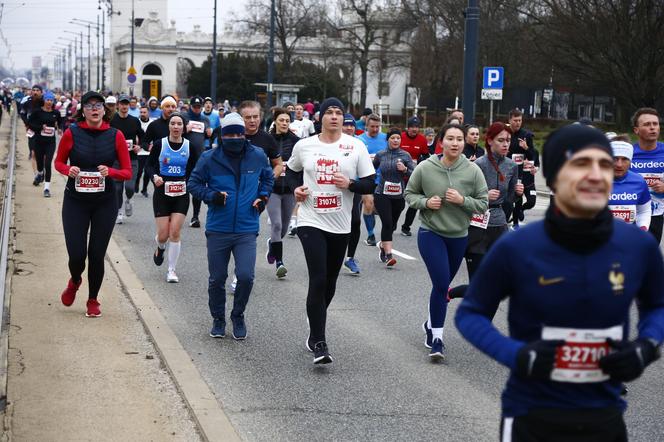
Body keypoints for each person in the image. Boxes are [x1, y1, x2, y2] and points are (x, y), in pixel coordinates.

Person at [455, 124, 664, 442]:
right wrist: (518, 355)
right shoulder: (518, 246)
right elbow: (470, 313)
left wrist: (646, 346)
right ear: (553, 178)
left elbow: (657, 306)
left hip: (604, 415)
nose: (596, 175)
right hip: (532, 414)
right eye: (581, 164)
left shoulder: (638, 245)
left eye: (604, 165)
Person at [286, 97, 376, 364]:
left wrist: (350, 184)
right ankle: (320, 342)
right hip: (311, 220)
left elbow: (370, 183)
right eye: (329, 113)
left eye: (339, 113)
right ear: (321, 118)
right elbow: (291, 172)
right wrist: (296, 188)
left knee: (330, 282)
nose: (334, 117)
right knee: (318, 277)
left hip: (340, 223)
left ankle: (315, 319)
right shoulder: (305, 146)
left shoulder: (355, 146)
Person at [404, 123, 488, 360]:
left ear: (464, 142)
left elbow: (483, 203)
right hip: (431, 233)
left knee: (441, 288)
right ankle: (438, 340)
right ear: (441, 141)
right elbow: (409, 194)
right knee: (442, 285)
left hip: (459, 236)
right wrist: (426, 203)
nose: (455, 143)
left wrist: (463, 200)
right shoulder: (425, 167)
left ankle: (430, 324)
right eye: (450, 138)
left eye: (459, 139)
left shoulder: (472, 171)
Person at [188, 112, 274, 340]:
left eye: (239, 133)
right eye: (230, 134)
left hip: (247, 226)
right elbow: (193, 184)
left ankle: (238, 315)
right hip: (218, 227)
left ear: (244, 133)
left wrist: (263, 197)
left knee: (246, 276)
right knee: (217, 278)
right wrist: (212, 195)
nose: (235, 138)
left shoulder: (257, 155)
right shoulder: (209, 157)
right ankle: (218, 318)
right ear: (222, 136)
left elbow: (267, 178)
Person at [54, 91, 133, 317]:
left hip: (104, 202)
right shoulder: (72, 132)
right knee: (77, 255)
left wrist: (112, 171)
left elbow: (127, 172)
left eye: (98, 105)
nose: (94, 109)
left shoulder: (115, 135)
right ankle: (75, 280)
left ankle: (92, 299)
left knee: (97, 254)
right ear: (83, 111)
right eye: (89, 106)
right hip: (75, 202)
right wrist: (68, 170)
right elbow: (58, 162)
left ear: (104, 110)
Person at [145, 112, 199, 283]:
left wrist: (191, 182)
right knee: (163, 235)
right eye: (173, 123)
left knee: (174, 232)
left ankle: (171, 270)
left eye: (179, 124)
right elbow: (149, 165)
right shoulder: (160, 144)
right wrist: (154, 177)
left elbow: (195, 168)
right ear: (168, 126)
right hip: (162, 192)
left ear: (184, 128)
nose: (176, 127)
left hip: (181, 193)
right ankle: (160, 247)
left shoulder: (190, 146)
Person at [464, 122, 522, 279]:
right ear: (490, 141)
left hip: (499, 224)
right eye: (501, 140)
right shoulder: (477, 165)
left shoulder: (512, 166)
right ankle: (450, 293)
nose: (505, 144)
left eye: (508, 140)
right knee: (476, 280)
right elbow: (464, 196)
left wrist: (517, 193)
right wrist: (484, 196)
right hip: (477, 226)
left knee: (497, 280)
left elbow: (509, 199)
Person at [266, 108, 300, 278]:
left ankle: (272, 244)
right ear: (275, 121)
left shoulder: (296, 141)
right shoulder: (267, 139)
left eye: (287, 120)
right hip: (271, 189)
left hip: (289, 189)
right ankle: (279, 262)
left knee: (284, 228)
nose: (285, 123)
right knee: (277, 224)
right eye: (281, 120)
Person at [373, 128, 415, 267]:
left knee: (393, 225)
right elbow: (370, 169)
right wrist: (370, 184)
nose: (396, 140)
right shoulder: (381, 155)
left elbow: (414, 173)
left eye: (398, 138)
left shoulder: (405, 155)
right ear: (388, 140)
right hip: (382, 194)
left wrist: (404, 170)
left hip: (398, 195)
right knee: (386, 223)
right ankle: (388, 255)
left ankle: (383, 245)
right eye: (393, 138)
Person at [630, 107, 664, 242]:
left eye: (655, 124)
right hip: (630, 213)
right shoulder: (627, 154)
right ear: (636, 130)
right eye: (647, 124)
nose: (652, 128)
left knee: (647, 257)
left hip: (656, 214)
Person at [110, 94, 144, 224]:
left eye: (126, 104)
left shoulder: (134, 121)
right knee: (117, 188)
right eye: (122, 104)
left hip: (132, 159)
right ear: (118, 105)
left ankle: (129, 199)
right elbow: (106, 135)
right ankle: (119, 212)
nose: (124, 106)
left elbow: (143, 136)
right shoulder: (112, 120)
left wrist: (139, 146)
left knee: (130, 187)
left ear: (129, 105)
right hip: (116, 160)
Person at [506, 109, 539, 228]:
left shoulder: (526, 135)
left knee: (531, 202)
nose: (517, 123)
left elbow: (533, 156)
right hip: (512, 174)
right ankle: (515, 224)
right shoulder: (505, 134)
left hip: (526, 175)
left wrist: (526, 148)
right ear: (509, 120)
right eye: (515, 120)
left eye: (519, 120)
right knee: (517, 200)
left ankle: (521, 211)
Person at [358, 114, 387, 246]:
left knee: (378, 208)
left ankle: (372, 218)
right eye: (372, 127)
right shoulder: (360, 140)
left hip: (383, 179)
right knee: (368, 203)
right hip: (366, 178)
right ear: (366, 126)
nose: (375, 129)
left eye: (377, 127)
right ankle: (371, 235)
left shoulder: (385, 138)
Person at [610, 139, 651, 230]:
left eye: (625, 159)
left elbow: (644, 211)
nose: (619, 164)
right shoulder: (595, 180)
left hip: (628, 238)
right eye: (615, 158)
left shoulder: (639, 181)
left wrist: (642, 229)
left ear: (631, 161)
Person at [399, 116, 429, 237]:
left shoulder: (422, 140)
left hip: (414, 175)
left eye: (417, 127)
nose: (414, 129)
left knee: (414, 203)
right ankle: (392, 223)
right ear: (408, 127)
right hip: (400, 175)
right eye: (412, 127)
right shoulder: (401, 137)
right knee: (399, 203)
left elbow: (426, 156)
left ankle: (406, 227)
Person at [341, 114, 363, 275]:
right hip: (334, 189)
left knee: (355, 221)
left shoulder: (359, 144)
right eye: (346, 125)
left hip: (354, 188)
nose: (349, 128)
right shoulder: (333, 142)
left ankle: (350, 258)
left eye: (351, 125)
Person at [27, 90, 61, 197]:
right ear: (44, 100)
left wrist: (59, 128)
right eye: (48, 100)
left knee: (48, 164)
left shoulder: (56, 113)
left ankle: (46, 189)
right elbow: (30, 124)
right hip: (39, 142)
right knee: (40, 164)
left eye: (51, 100)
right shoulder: (37, 112)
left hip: (50, 143)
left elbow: (60, 122)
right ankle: (40, 174)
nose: (49, 102)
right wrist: (40, 127)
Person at [185, 96, 211, 228]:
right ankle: (179, 213)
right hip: (184, 158)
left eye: (198, 107)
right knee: (183, 188)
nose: (197, 109)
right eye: (194, 106)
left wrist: (208, 134)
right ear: (190, 106)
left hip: (199, 158)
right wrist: (185, 130)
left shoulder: (205, 119)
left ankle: (195, 216)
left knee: (197, 187)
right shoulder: (184, 117)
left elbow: (206, 137)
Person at [135, 105, 153, 197]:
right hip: (139, 151)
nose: (142, 114)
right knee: (138, 171)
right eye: (141, 112)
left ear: (148, 113)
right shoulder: (136, 122)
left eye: (144, 112)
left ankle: (144, 189)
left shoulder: (152, 123)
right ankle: (136, 183)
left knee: (147, 172)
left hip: (149, 151)